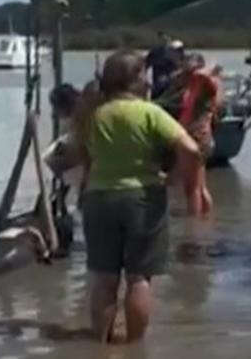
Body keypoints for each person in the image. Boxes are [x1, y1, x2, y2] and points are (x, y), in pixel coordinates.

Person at [75, 49, 202, 343]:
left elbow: (84, 159)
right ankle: (134, 347)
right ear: (135, 79)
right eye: (144, 74)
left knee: (104, 279)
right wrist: (173, 179)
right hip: (142, 198)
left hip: (98, 199)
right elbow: (192, 151)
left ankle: (102, 346)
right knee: (138, 278)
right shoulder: (150, 113)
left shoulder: (92, 115)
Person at [176, 53, 220, 216]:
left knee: (192, 188)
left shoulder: (206, 84)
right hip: (196, 136)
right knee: (199, 187)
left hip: (198, 137)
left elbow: (211, 70)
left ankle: (193, 229)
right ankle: (204, 223)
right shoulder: (194, 86)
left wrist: (197, 68)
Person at [145, 32, 185, 99]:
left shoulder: (179, 62)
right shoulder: (156, 54)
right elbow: (146, 65)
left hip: (172, 93)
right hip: (159, 91)